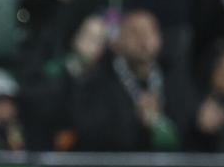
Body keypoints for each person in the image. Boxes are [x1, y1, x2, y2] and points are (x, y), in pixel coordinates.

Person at [73, 9, 195, 151]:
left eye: (150, 31)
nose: (143, 39)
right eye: (134, 32)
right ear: (117, 41)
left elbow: (187, 130)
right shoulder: (99, 78)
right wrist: (135, 120)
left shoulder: (173, 77)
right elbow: (91, 133)